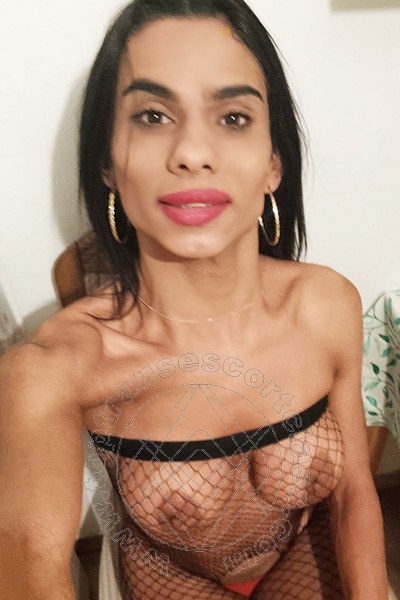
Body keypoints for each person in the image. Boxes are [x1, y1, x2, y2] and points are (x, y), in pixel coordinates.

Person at [0, 0, 389, 598]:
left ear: (273, 164)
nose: (192, 152)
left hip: (303, 553)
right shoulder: (53, 368)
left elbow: (354, 491)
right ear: (107, 163)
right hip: (169, 577)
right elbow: (25, 552)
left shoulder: (326, 302)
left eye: (233, 117)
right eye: (153, 116)